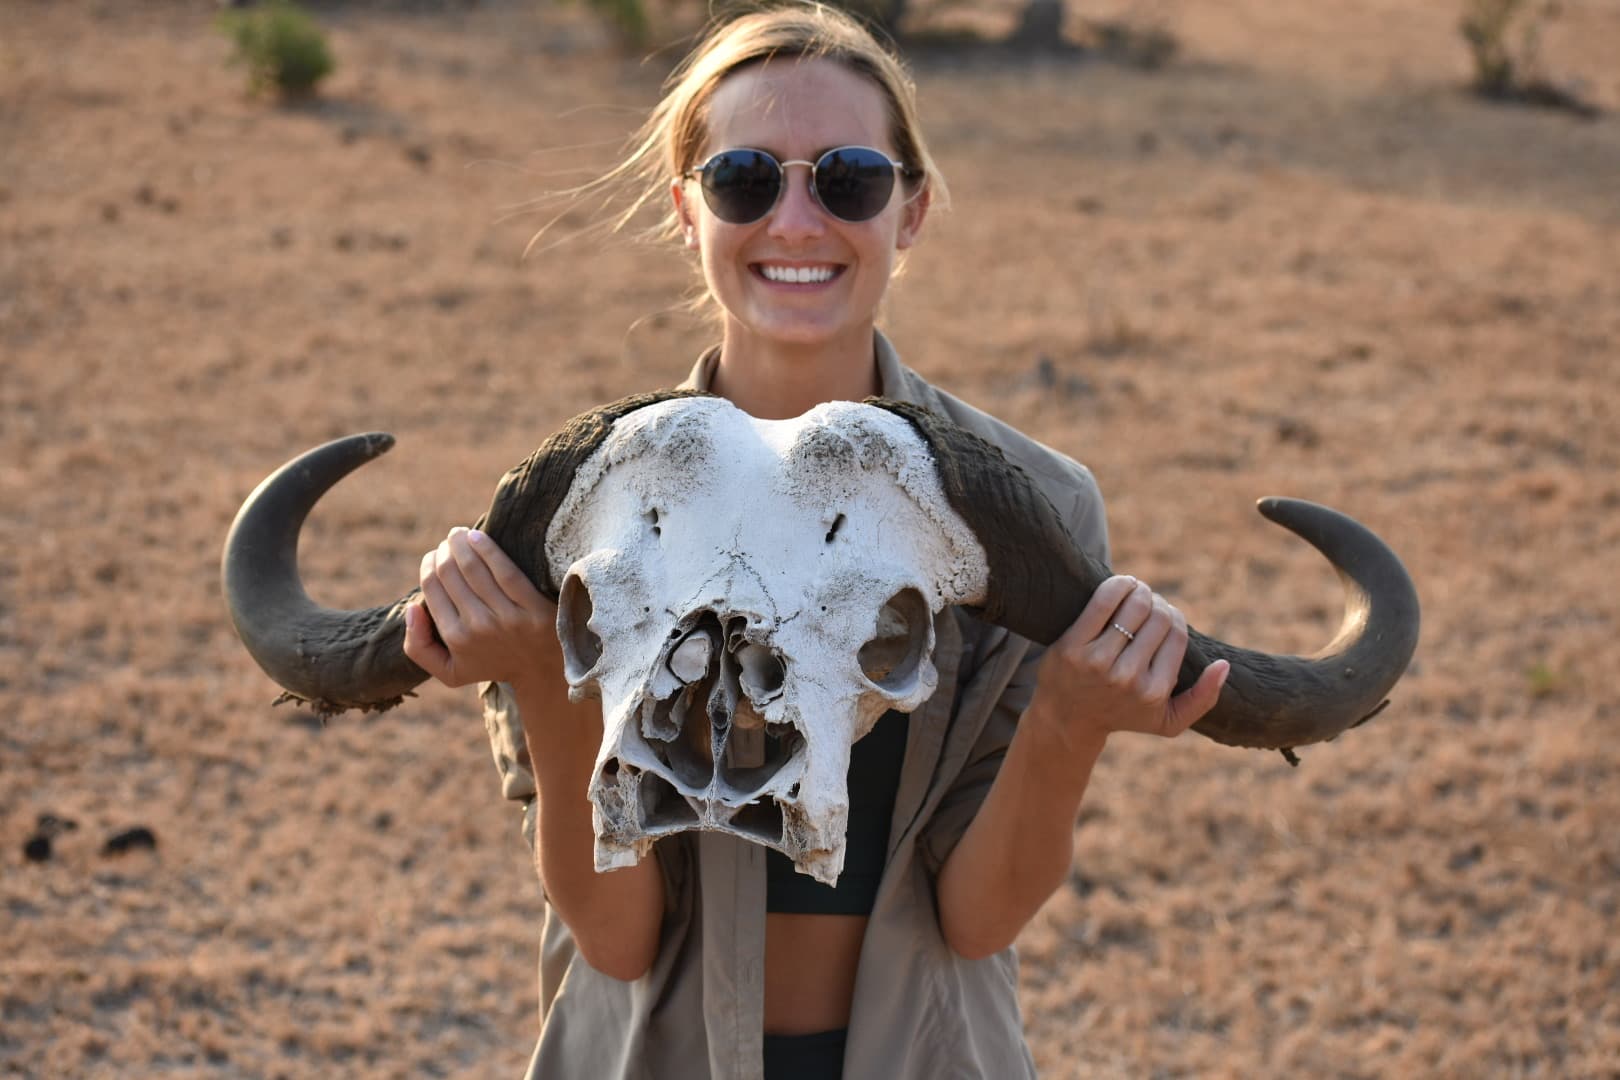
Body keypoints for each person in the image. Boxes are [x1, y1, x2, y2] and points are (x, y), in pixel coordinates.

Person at [401, 6, 1229, 1078]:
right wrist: (540, 680)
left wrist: (1069, 720)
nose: (796, 222)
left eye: (848, 180)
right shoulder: (580, 509)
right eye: (746, 177)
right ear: (686, 208)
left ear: (913, 209)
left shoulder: (1041, 511)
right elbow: (616, 938)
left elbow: (977, 922)